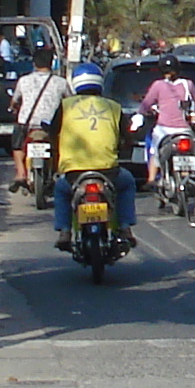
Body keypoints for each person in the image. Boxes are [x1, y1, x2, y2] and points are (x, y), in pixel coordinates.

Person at [51, 65, 136, 250]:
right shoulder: (114, 107)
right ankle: (125, 227)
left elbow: (52, 133)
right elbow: (127, 137)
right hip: (109, 172)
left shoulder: (65, 106)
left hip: (73, 174)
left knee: (61, 191)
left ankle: (65, 231)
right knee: (127, 183)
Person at [11, 50, 69, 193]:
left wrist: (13, 107)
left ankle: (20, 174)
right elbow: (70, 100)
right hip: (51, 124)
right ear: (51, 63)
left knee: (17, 145)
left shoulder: (24, 81)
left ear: (34, 63)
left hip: (27, 123)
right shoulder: (61, 82)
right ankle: (58, 171)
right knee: (59, 145)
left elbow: (15, 100)